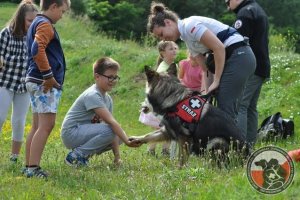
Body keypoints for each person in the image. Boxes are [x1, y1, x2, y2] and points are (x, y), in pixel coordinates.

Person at [147, 2, 256, 126]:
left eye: (161, 34)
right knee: (223, 107)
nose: (163, 39)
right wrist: (205, 94)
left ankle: (235, 144)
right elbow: (205, 69)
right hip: (236, 58)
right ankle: (241, 144)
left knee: (226, 108)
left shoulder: (190, 25)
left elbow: (219, 48)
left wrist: (217, 81)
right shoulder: (187, 39)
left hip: (240, 56)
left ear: (168, 22)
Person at [61, 57, 141, 167]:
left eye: (115, 77)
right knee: (115, 131)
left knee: (119, 136)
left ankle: (83, 157)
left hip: (82, 133)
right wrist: (127, 141)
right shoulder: (92, 95)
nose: (113, 81)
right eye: (109, 77)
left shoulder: (108, 99)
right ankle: (75, 157)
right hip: (71, 133)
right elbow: (112, 124)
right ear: (97, 76)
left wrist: (117, 158)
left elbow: (113, 128)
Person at [24, 0, 71, 178]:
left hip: (34, 79)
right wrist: (48, 75)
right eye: (62, 11)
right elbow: (37, 48)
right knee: (46, 125)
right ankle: (34, 168)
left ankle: (28, 164)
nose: (62, 15)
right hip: (44, 83)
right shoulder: (45, 24)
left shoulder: (36, 22)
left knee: (36, 126)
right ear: (53, 6)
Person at [226, 0, 271, 146]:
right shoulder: (257, 9)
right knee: (251, 107)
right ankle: (250, 144)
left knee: (241, 106)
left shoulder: (245, 13)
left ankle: (240, 147)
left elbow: (236, 41)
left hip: (251, 66)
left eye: (228, 2)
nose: (227, 5)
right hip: (262, 65)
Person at [0, 1, 38, 163]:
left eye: (34, 22)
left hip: (24, 85)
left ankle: (14, 157)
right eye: (29, 21)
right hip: (5, 81)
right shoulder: (6, 33)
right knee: (0, 118)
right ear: (21, 18)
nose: (32, 24)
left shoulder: (34, 37)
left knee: (18, 121)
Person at [139, 40, 178, 156]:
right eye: (170, 49)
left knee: (167, 127)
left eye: (175, 48)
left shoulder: (173, 65)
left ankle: (164, 150)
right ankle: (152, 150)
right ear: (162, 53)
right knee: (161, 129)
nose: (174, 50)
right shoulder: (162, 68)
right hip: (160, 105)